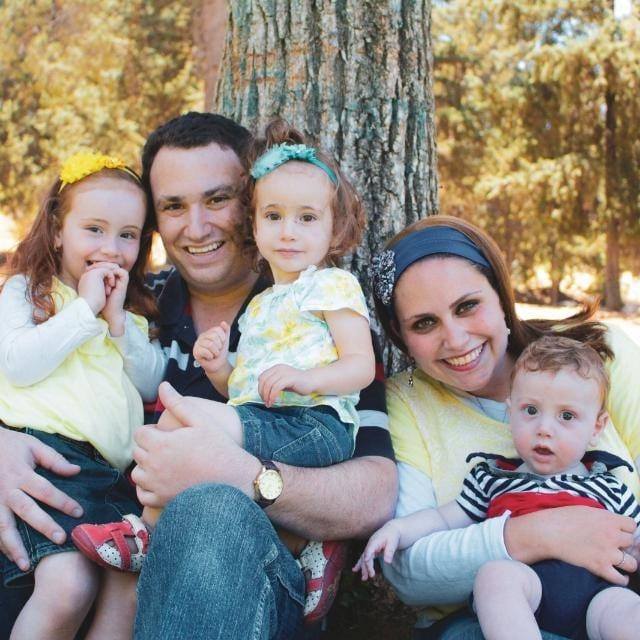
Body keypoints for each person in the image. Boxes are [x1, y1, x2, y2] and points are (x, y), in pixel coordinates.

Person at [0, 112, 397, 639]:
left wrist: (250, 479)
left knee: (208, 510)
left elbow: (375, 490)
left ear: (250, 200)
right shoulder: (130, 309)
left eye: (216, 200)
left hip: (235, 581)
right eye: (173, 206)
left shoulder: (310, 317)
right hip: (62, 562)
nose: (196, 226)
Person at [367, 215, 640, 640]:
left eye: (467, 306)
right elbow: (409, 570)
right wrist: (536, 534)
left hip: (609, 602)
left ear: (501, 296)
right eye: (424, 323)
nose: (456, 339)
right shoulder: (408, 402)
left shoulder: (599, 356)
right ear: (401, 338)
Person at [355, 335, 640, 640]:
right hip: (526, 593)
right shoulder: (493, 479)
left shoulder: (610, 487)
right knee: (494, 577)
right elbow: (442, 520)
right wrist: (398, 529)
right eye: (530, 410)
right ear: (511, 411)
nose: (544, 428)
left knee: (628, 610)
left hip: (596, 597)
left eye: (566, 416)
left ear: (596, 427)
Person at [0, 152, 167, 639]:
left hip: (113, 479)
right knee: (67, 585)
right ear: (56, 230)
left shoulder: (129, 317)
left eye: (128, 235)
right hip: (47, 459)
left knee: (127, 591)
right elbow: (19, 364)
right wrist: (85, 310)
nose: (111, 248)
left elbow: (152, 383)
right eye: (93, 229)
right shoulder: (29, 293)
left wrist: (115, 323)